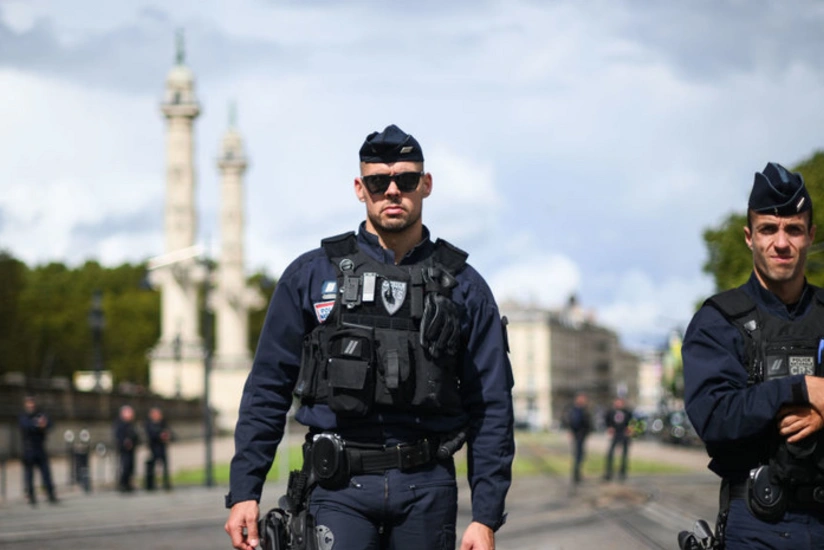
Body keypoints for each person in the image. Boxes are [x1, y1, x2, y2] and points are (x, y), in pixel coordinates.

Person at [224, 124, 515, 550]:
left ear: (426, 185)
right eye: (379, 181)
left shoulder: (464, 287)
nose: (392, 190)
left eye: (406, 179)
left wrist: (485, 516)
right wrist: (245, 490)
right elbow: (268, 386)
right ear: (360, 189)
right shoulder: (312, 275)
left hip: (427, 487)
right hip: (337, 487)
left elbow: (492, 405)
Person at [683, 162, 824, 549]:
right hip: (759, 523)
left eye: (793, 229)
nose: (781, 242)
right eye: (768, 229)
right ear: (749, 237)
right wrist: (799, 390)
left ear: (810, 235)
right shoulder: (719, 321)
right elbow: (714, 417)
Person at [18, 395, 58, 506]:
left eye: (32, 402)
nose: (31, 405)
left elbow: (49, 424)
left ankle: (50, 493)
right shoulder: (24, 416)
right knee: (29, 475)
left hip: (40, 447)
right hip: (29, 449)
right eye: (29, 403)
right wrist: (38, 425)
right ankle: (31, 495)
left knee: (46, 473)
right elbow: (26, 426)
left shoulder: (40, 414)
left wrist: (43, 424)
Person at [602, 397, 632, 482]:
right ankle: (608, 473)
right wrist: (609, 428)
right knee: (610, 454)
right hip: (615, 434)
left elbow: (632, 422)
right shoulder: (611, 412)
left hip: (624, 434)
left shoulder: (627, 412)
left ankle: (622, 473)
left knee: (624, 455)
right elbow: (606, 421)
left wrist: (629, 430)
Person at [566, 392, 592, 486]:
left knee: (581, 455)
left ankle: (578, 473)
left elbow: (588, 423)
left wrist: (588, 432)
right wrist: (571, 431)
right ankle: (576, 475)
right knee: (577, 455)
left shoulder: (585, 410)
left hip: (582, 434)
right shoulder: (574, 410)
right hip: (577, 434)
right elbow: (570, 421)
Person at [144, 407, 173, 491]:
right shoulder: (149, 424)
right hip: (153, 447)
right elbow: (150, 435)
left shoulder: (163, 423)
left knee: (165, 465)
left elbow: (170, 433)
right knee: (151, 466)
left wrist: (167, 436)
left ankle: (166, 483)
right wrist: (159, 435)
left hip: (162, 447)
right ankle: (150, 484)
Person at [113, 404, 140, 493]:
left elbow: (136, 436)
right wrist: (125, 442)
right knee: (125, 466)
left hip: (131, 449)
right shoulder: (120, 424)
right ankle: (123, 484)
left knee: (131, 467)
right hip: (124, 449)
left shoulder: (131, 424)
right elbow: (118, 437)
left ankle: (128, 484)